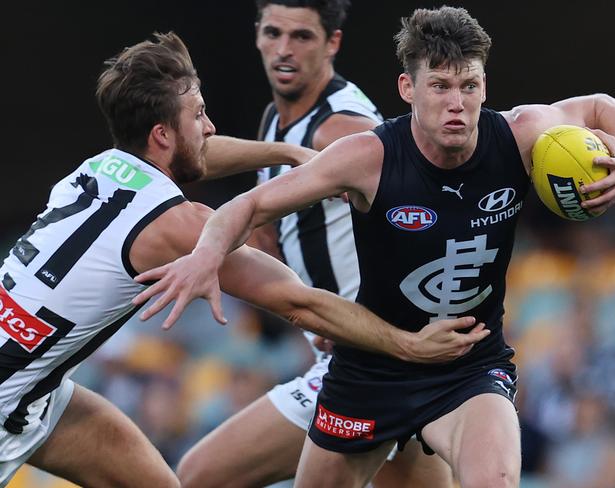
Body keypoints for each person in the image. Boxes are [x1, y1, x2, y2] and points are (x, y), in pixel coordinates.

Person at [133, 6, 615, 487]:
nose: (456, 103)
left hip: (467, 365)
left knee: (496, 479)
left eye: (469, 85)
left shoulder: (521, 134)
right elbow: (244, 208)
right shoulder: (366, 156)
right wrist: (204, 257)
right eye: (440, 86)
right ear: (408, 87)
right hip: (370, 370)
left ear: (484, 85)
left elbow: (602, 106)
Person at [0, 31, 490, 488]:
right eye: (198, 115)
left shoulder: (98, 168)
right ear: (162, 135)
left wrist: (292, 154)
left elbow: (200, 155)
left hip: (38, 391)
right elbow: (301, 304)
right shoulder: (180, 227)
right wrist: (408, 345)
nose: (210, 126)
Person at [175, 1, 453, 487]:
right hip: (366, 355)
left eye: (301, 37)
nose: (284, 50)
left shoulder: (343, 127)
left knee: (200, 475)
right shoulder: (278, 120)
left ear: (332, 43)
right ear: (257, 35)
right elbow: (193, 158)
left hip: (373, 357)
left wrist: (368, 319)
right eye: (273, 33)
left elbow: (428, 220)